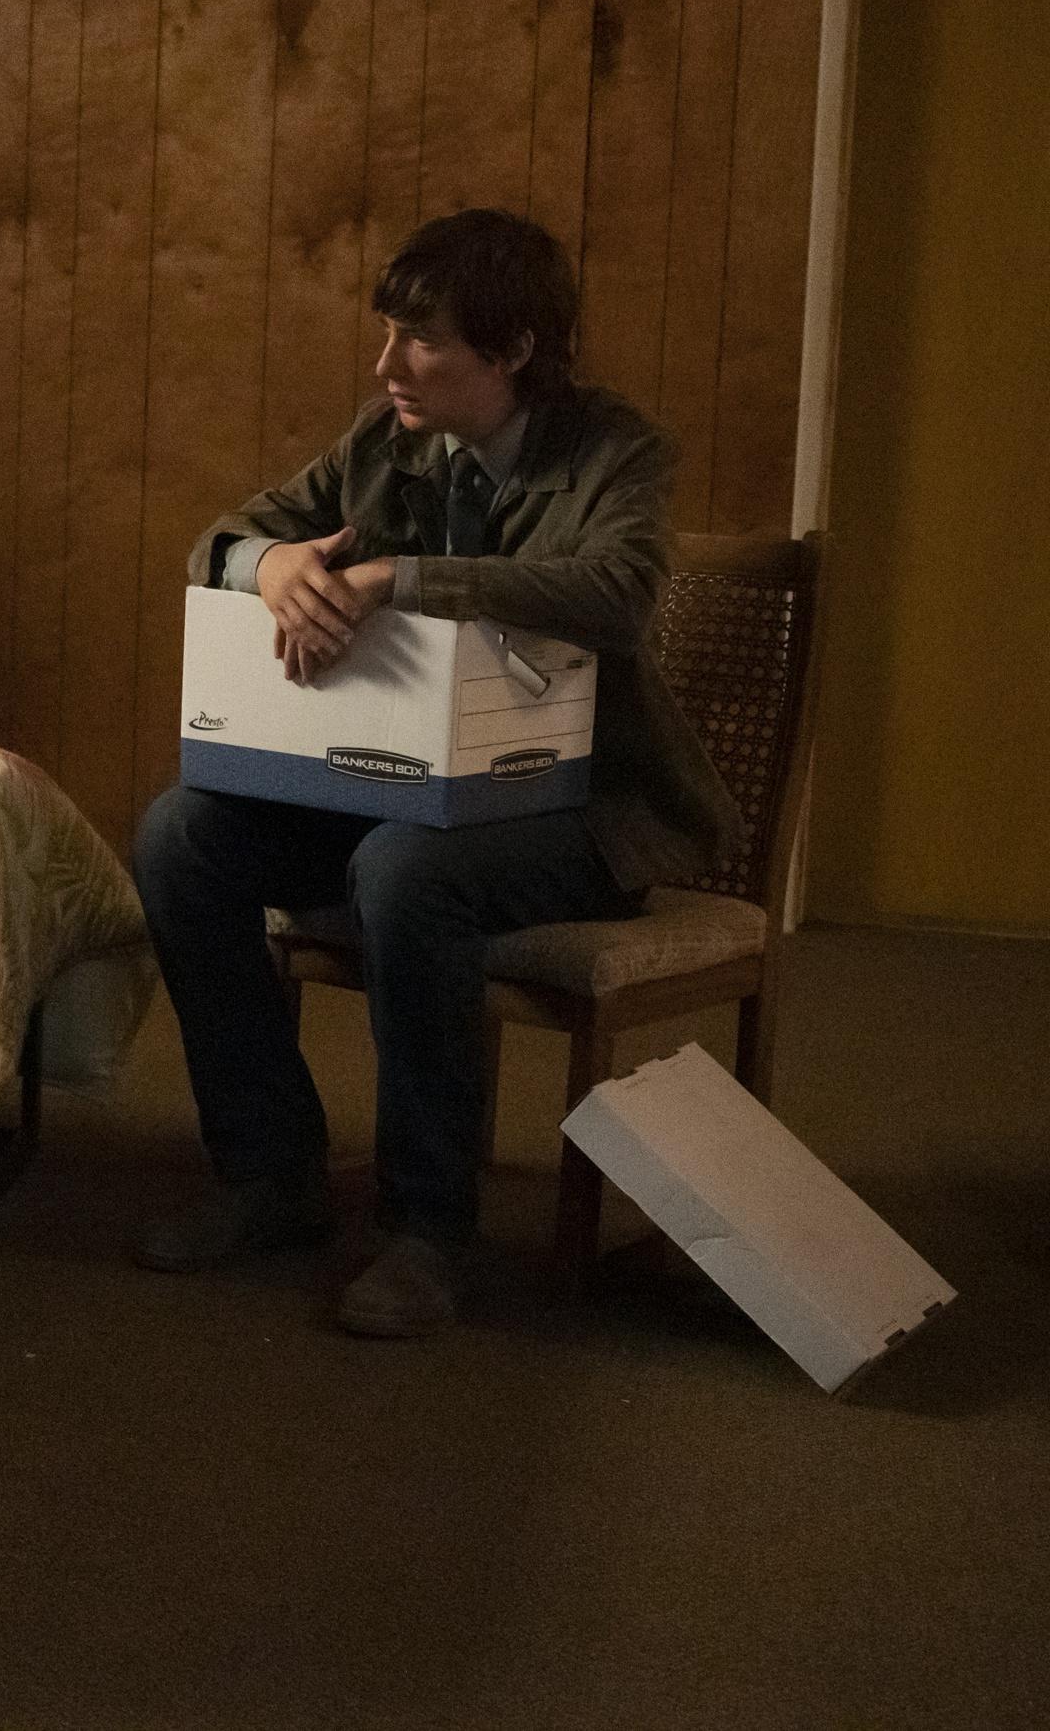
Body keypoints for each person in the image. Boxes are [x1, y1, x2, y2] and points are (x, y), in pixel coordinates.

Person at [129, 209, 739, 1337]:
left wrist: (406, 578)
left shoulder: (615, 449)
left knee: (408, 872)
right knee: (181, 834)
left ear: (509, 353)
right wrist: (268, 567)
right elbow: (217, 539)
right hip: (394, 783)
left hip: (580, 810)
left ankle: (426, 1229)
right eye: (388, 336)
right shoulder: (385, 438)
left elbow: (616, 592)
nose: (387, 364)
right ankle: (270, 1173)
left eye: (421, 342)